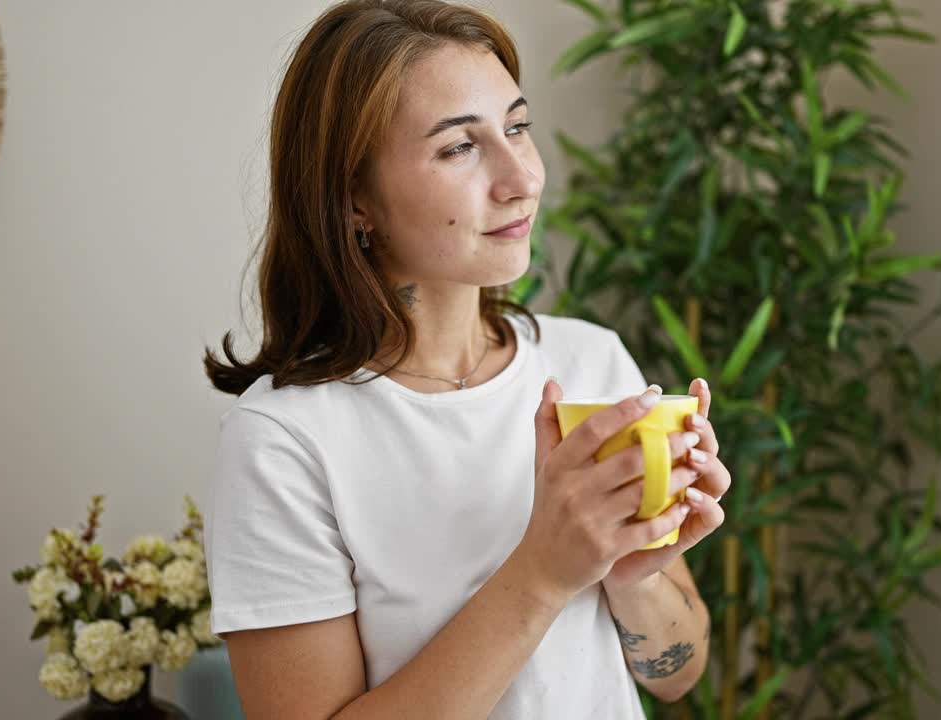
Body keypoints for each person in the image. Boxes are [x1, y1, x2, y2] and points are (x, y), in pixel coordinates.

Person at [200, 1, 732, 717]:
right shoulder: (283, 440)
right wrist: (545, 573)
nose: (523, 179)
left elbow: (677, 671)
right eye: (459, 147)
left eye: (517, 127)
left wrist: (630, 572)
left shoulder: (591, 360)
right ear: (354, 199)